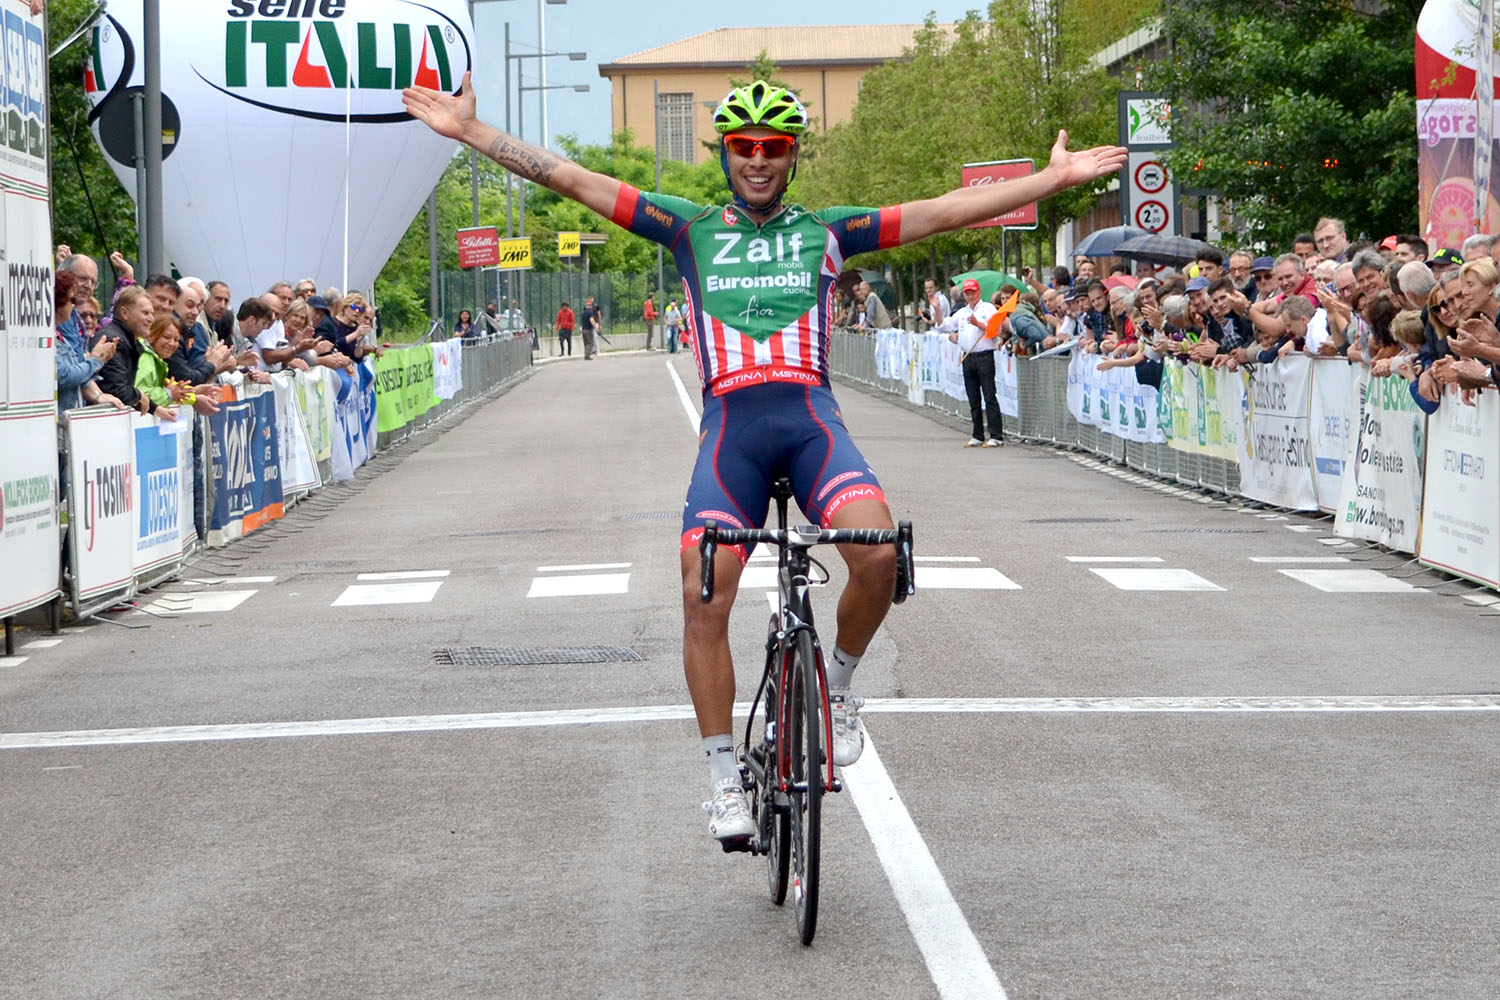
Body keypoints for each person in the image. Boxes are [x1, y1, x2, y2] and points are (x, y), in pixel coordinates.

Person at [403, 73, 1124, 842]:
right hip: (732, 435)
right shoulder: (686, 228)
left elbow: (945, 210)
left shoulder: (830, 231)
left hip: (811, 424)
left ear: (791, 156)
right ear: (725, 154)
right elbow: (575, 179)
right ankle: (723, 778)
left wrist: (1049, 180)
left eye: (772, 147)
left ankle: (837, 689)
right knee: (702, 590)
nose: (757, 159)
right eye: (743, 147)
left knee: (880, 554)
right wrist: (472, 133)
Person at [939, 277, 1004, 445]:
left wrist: (978, 323)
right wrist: (937, 310)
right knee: (973, 397)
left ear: (979, 292)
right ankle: (977, 434)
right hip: (968, 357)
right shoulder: (962, 313)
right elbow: (945, 325)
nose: (970, 296)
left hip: (984, 356)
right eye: (967, 293)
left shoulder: (988, 308)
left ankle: (996, 435)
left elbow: (995, 330)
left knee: (989, 396)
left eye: (972, 292)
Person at [578, 295, 601, 360]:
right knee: (590, 343)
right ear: (590, 306)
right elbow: (592, 321)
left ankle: (586, 355)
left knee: (586, 343)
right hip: (589, 330)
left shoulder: (584, 313)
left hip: (583, 330)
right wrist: (596, 328)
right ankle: (587, 356)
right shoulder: (590, 313)